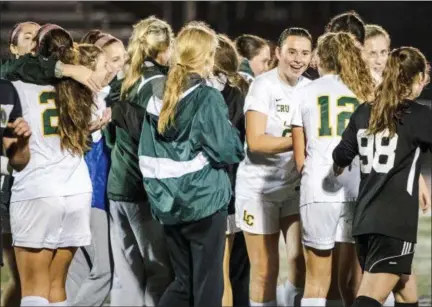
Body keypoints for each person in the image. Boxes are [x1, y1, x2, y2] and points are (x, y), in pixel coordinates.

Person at [137, 23, 244, 307]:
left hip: (167, 201)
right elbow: (227, 149)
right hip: (203, 200)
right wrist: (234, 136)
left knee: (183, 283)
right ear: (205, 56)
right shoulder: (206, 96)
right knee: (209, 286)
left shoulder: (156, 90)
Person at [9, 24, 106, 307]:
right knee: (56, 286)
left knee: (33, 288)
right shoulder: (80, 87)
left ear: (38, 51)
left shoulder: (15, 83)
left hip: (38, 190)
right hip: (77, 191)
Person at [332, 46, 431, 307]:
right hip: (394, 224)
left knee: (406, 291)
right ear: (419, 78)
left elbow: (341, 155)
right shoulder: (419, 115)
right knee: (368, 299)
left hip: (365, 221)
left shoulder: (365, 111)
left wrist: (338, 167)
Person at [291, 32, 374, 307]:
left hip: (318, 185)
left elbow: (299, 156)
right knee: (352, 278)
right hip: (357, 186)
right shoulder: (365, 89)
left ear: (320, 58)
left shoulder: (304, 91)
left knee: (316, 280)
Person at [234, 27, 312, 306]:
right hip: (259, 188)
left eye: (304, 53)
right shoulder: (263, 86)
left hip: (292, 188)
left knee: (302, 262)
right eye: (291, 51)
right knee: (266, 270)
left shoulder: (309, 88)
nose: (297, 59)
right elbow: (256, 142)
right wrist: (298, 139)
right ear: (278, 53)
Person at [108, 16, 174, 307]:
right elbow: (163, 138)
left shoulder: (126, 80)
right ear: (163, 49)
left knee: (126, 275)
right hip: (143, 190)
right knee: (159, 273)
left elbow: (111, 137)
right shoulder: (157, 83)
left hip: (118, 184)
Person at [65, 30, 119, 307]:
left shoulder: (94, 97)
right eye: (105, 64)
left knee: (79, 269)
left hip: (84, 194)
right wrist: (92, 130)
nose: (111, 69)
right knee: (104, 271)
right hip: (90, 195)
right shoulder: (81, 103)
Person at [207, 33, 250, 307]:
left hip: (219, 187)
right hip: (238, 185)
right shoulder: (242, 89)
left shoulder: (208, 92)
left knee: (219, 268)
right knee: (229, 267)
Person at [1, 21, 40, 307]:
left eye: (41, 37)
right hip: (9, 189)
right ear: (13, 48)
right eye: (28, 38)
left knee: (29, 280)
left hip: (37, 187)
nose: (36, 42)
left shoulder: (57, 84)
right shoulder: (7, 82)